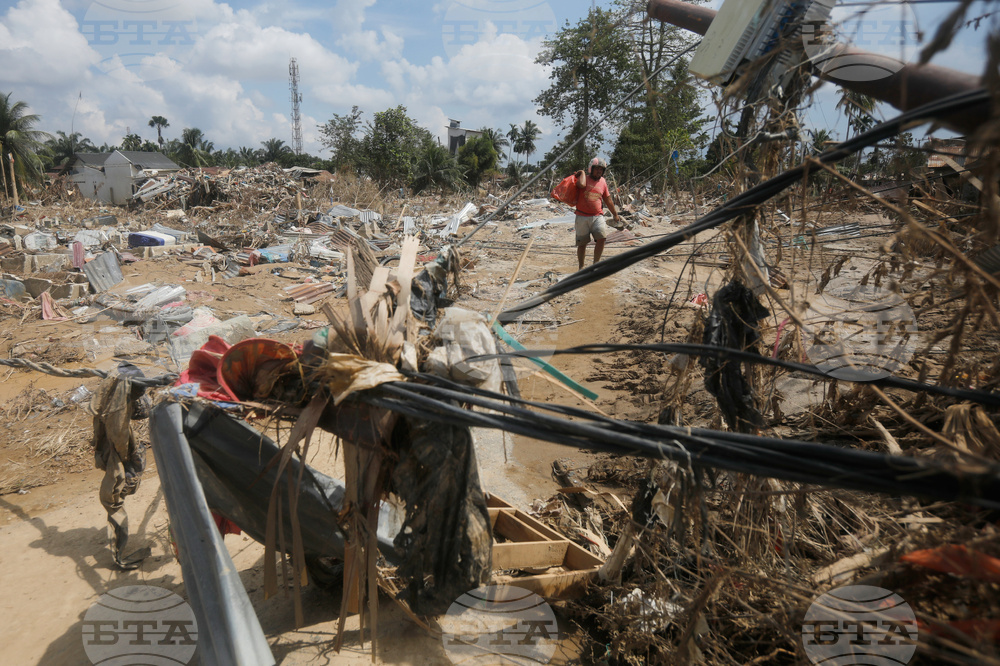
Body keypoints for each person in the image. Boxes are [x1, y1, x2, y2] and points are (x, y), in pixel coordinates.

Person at [574, 157, 620, 270]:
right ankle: (581, 267)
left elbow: (607, 199)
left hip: (597, 216)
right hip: (582, 216)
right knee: (582, 243)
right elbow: (579, 185)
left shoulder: (603, 182)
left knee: (602, 238)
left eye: (601, 169)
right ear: (591, 169)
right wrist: (581, 173)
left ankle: (595, 264)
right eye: (597, 169)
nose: (599, 171)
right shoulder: (584, 179)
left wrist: (615, 214)